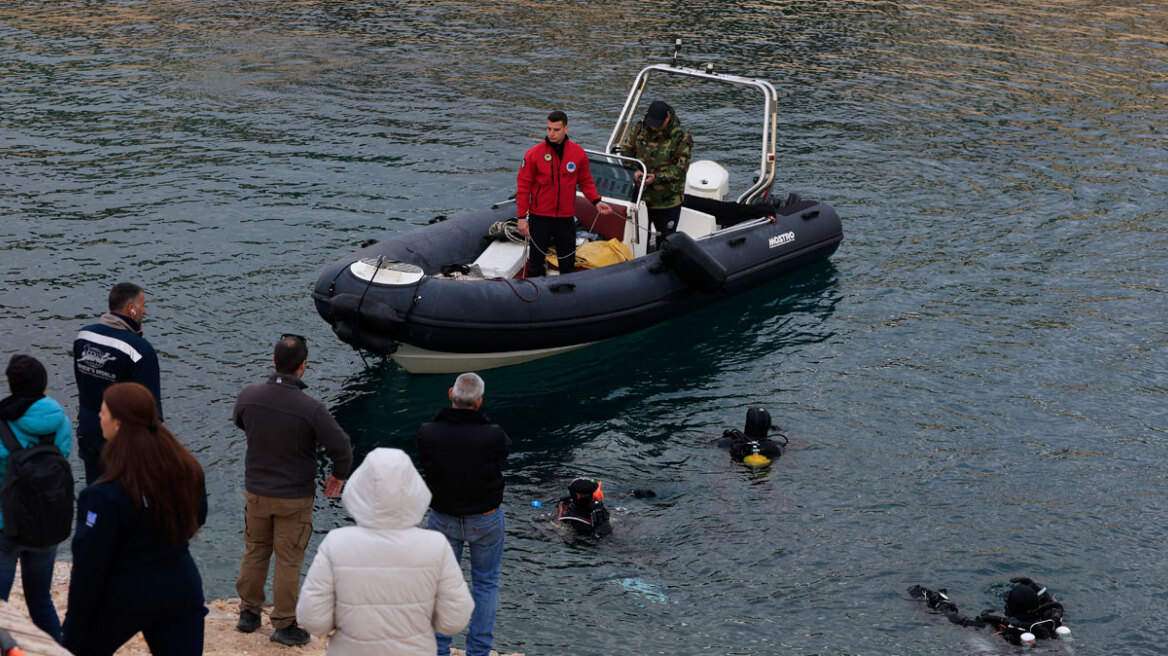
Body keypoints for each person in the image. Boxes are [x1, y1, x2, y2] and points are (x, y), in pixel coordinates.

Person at [62, 382, 207, 656]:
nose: (98, 417)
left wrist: (72, 630)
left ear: (117, 424)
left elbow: (88, 569)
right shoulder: (188, 469)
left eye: (102, 412)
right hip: (180, 584)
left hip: (124, 595)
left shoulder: (103, 495)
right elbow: (197, 517)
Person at [232, 334, 353, 646]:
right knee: (288, 559)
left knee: (255, 549)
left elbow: (241, 422)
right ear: (303, 366)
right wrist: (338, 476)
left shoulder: (248, 396)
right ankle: (284, 624)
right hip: (293, 497)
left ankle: (248, 613)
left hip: (256, 491)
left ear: (274, 361)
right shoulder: (311, 409)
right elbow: (342, 447)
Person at [297, 448, 474, 655]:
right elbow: (455, 618)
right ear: (414, 490)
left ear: (360, 488)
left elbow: (312, 617)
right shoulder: (436, 546)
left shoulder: (337, 543)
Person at [416, 372, 511, 656]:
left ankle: (439, 649)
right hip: (485, 518)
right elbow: (504, 454)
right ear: (479, 402)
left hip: (444, 517)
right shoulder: (493, 435)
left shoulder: (428, 432)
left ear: (450, 394)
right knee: (486, 582)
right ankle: (478, 651)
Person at [0, 354, 73, 643]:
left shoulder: (3, 422)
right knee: (41, 599)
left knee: (0, 607)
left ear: (12, 385)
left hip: (7, 524)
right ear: (43, 385)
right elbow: (62, 458)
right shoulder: (60, 421)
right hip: (47, 522)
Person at [74, 282, 161, 485]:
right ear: (131, 309)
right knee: (125, 500)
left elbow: (81, 383)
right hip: (122, 441)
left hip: (88, 429)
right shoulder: (140, 349)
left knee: (95, 493)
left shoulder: (84, 336)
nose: (145, 310)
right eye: (143, 304)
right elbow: (151, 408)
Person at [515, 110, 614, 277]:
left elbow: (586, 182)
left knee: (567, 264)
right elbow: (523, 187)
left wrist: (596, 201)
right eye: (549, 129)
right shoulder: (533, 154)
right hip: (540, 218)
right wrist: (521, 218)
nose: (551, 134)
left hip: (565, 218)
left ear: (566, 129)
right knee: (536, 265)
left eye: (556, 130)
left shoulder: (577, 153)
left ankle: (566, 294)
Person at [907, 577, 1069, 645]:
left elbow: (955, 620)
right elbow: (1055, 605)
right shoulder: (1050, 624)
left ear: (1008, 609)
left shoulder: (994, 628)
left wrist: (941, 603)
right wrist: (1036, 588)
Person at [619, 100, 694, 243]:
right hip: (640, 196)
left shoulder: (682, 137)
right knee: (638, 238)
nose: (653, 127)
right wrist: (633, 171)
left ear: (668, 118)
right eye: (652, 123)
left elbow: (680, 168)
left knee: (666, 239)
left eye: (658, 124)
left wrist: (657, 178)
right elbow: (626, 151)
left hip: (667, 200)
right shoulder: (640, 128)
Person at [715, 407, 787, 467]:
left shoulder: (728, 442)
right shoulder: (777, 445)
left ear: (747, 424)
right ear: (767, 426)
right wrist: (779, 430)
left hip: (737, 468)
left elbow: (706, 443)